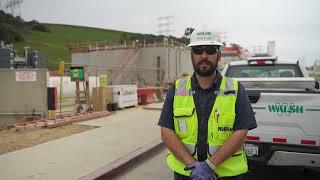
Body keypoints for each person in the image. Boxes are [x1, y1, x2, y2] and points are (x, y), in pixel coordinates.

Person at [158, 29, 257, 180]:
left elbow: (241, 132)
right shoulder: (177, 89)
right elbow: (166, 131)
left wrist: (209, 165)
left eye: (210, 50)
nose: (204, 56)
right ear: (191, 55)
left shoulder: (236, 89)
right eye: (198, 50)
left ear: (218, 54)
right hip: (187, 174)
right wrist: (192, 165)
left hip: (227, 175)